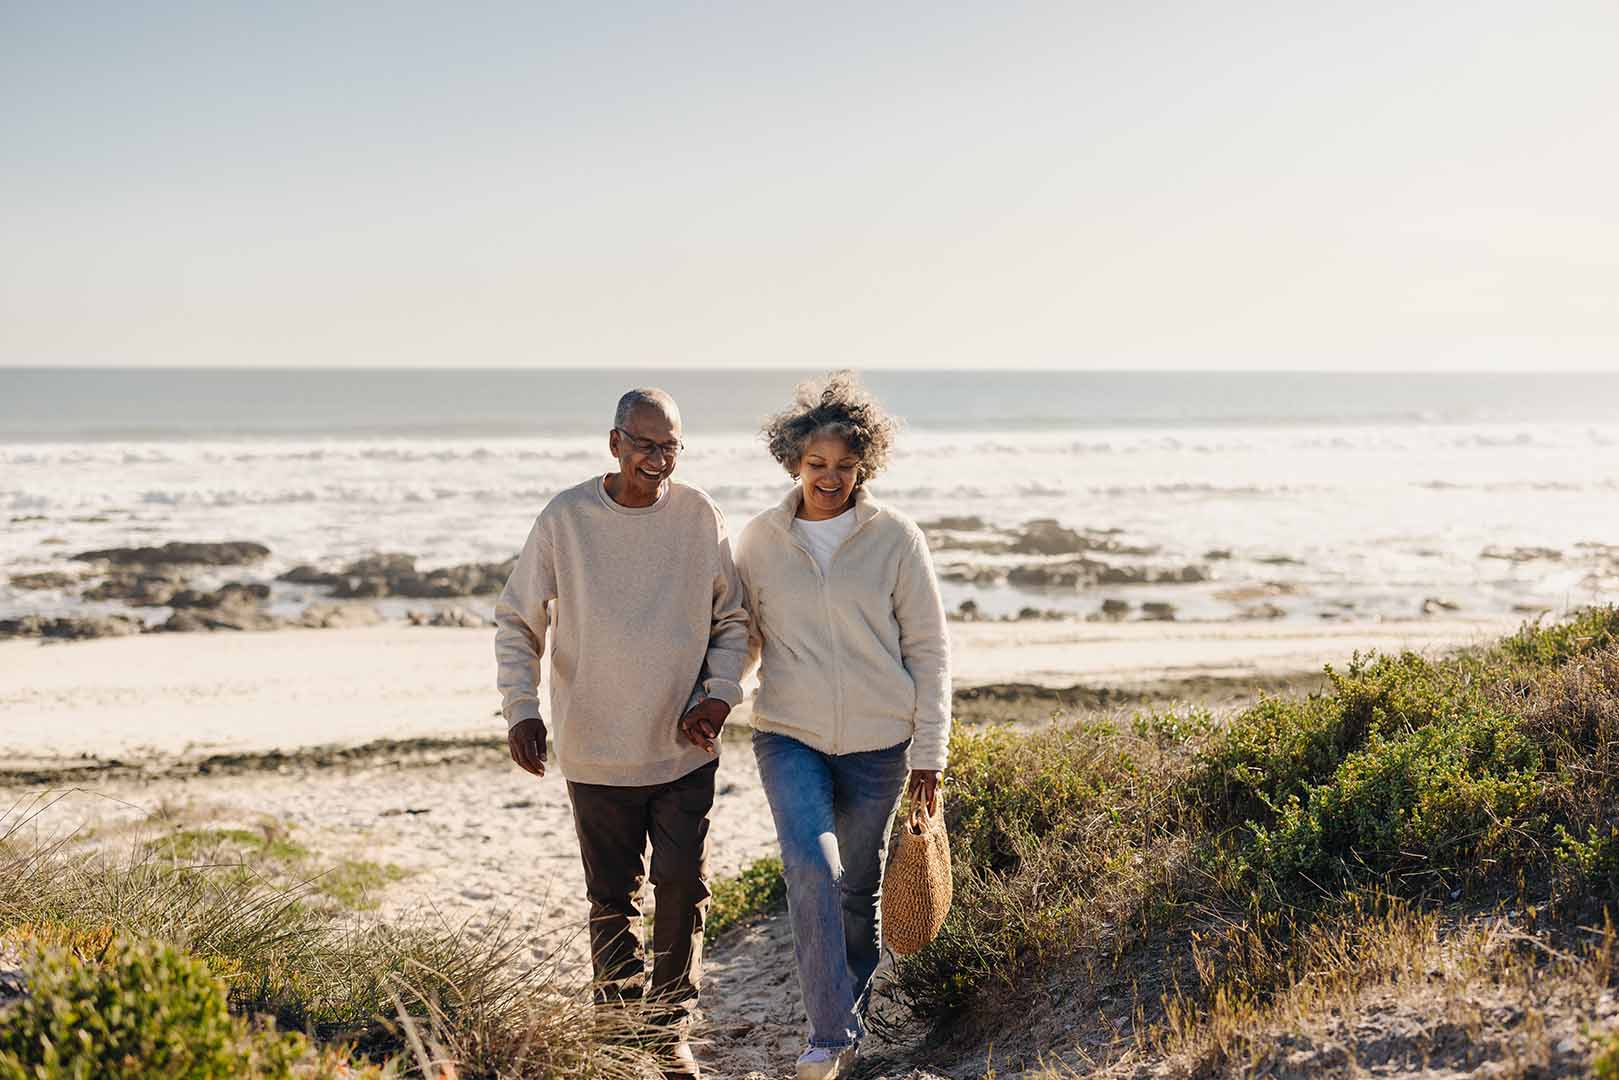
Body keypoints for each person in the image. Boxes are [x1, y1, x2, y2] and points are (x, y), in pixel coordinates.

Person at [494, 388, 748, 1080]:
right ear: (613, 443)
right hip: (595, 747)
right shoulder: (566, 518)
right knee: (610, 898)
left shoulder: (699, 516)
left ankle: (667, 1032)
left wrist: (720, 696)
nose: (657, 458)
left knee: (681, 886)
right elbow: (518, 621)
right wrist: (521, 708)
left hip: (682, 744)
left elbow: (732, 622)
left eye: (669, 445)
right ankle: (616, 1029)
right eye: (644, 443)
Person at [734, 372, 951, 1080]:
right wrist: (709, 697)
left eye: (845, 467)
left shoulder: (894, 539)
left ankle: (846, 1018)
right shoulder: (760, 541)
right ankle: (828, 1035)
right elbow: (744, 638)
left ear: (865, 467)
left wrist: (930, 750)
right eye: (816, 464)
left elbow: (928, 648)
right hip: (787, 731)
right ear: (792, 459)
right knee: (812, 867)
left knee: (856, 890)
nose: (829, 479)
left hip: (879, 744)